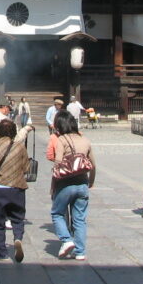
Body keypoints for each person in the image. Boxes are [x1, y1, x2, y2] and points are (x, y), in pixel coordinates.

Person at [47, 111, 95, 260]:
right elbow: (93, 164)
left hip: (65, 183)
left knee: (57, 213)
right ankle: (80, 252)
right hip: (82, 183)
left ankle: (67, 240)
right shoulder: (85, 140)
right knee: (79, 219)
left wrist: (53, 185)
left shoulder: (62, 140)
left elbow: (58, 164)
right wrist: (91, 181)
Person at [0, 118, 32, 262]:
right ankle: (17, 238)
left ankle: (1, 252)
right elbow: (26, 167)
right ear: (14, 132)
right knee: (18, 217)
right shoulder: (20, 147)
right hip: (17, 186)